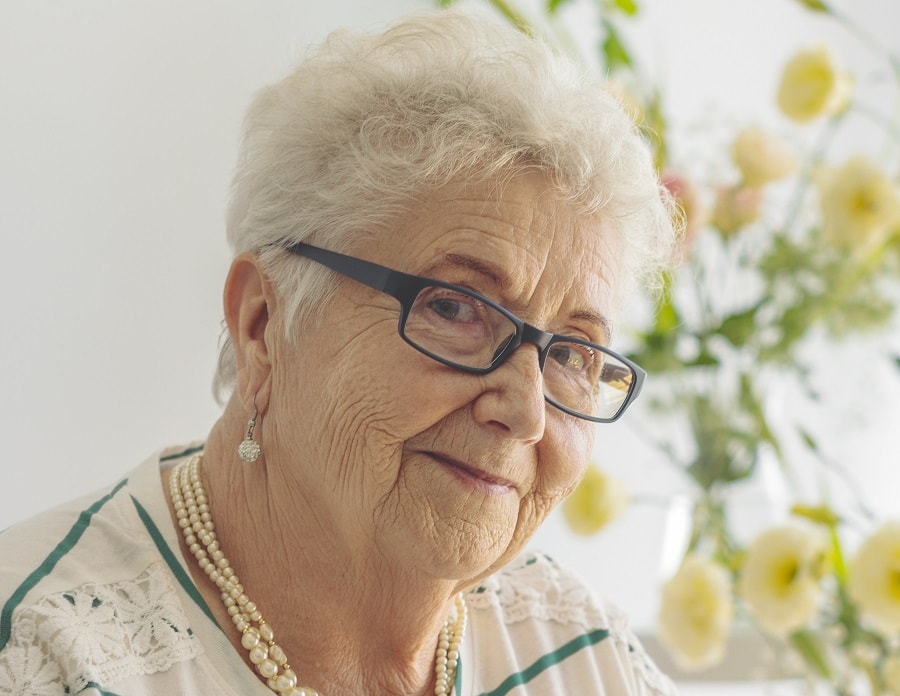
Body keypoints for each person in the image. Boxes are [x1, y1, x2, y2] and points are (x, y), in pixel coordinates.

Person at [0, 8, 679, 695]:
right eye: (454, 307)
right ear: (263, 324)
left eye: (572, 354)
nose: (526, 412)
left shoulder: (585, 659)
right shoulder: (42, 654)